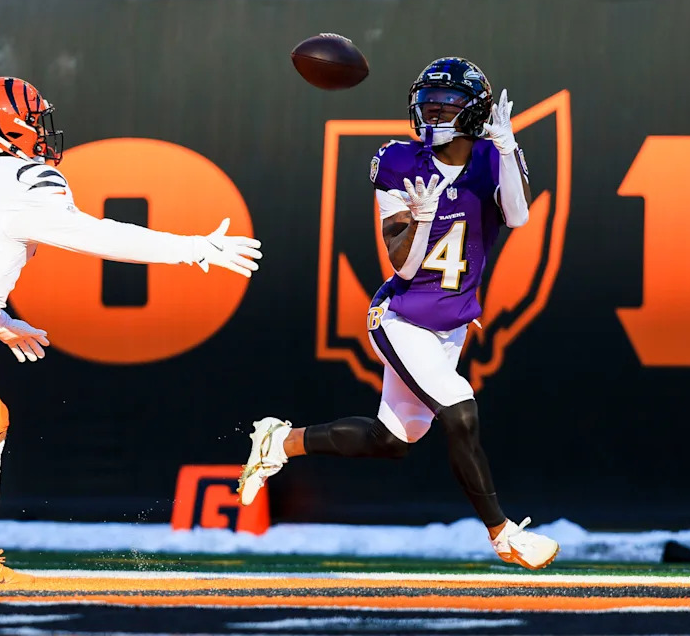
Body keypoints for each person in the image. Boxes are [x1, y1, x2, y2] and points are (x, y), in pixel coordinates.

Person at [0, 76, 262, 584]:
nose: (42, 132)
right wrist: (194, 248)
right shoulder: (24, 183)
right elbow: (98, 237)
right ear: (8, 127)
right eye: (33, 121)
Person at [237, 57, 557, 569]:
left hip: (450, 326)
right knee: (460, 410)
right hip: (402, 316)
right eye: (428, 102)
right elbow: (404, 267)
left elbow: (517, 217)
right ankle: (503, 535)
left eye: (447, 103)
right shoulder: (398, 161)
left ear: (474, 112)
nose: (434, 112)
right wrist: (423, 222)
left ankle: (281, 442)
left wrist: (506, 147)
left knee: (391, 439)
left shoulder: (492, 156)